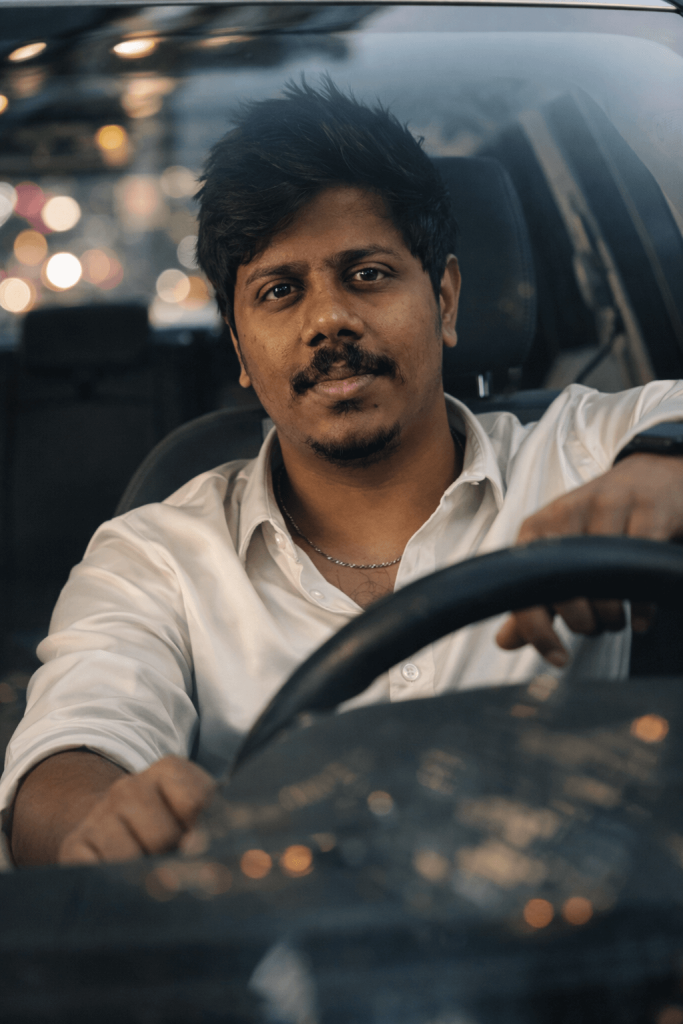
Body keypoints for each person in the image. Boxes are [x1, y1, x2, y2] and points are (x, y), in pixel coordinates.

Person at [3, 80, 683, 869]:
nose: (328, 320)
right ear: (239, 350)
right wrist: (101, 814)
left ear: (446, 299)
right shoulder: (155, 558)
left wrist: (665, 464)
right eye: (280, 291)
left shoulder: (582, 448)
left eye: (366, 274)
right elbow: (67, 753)